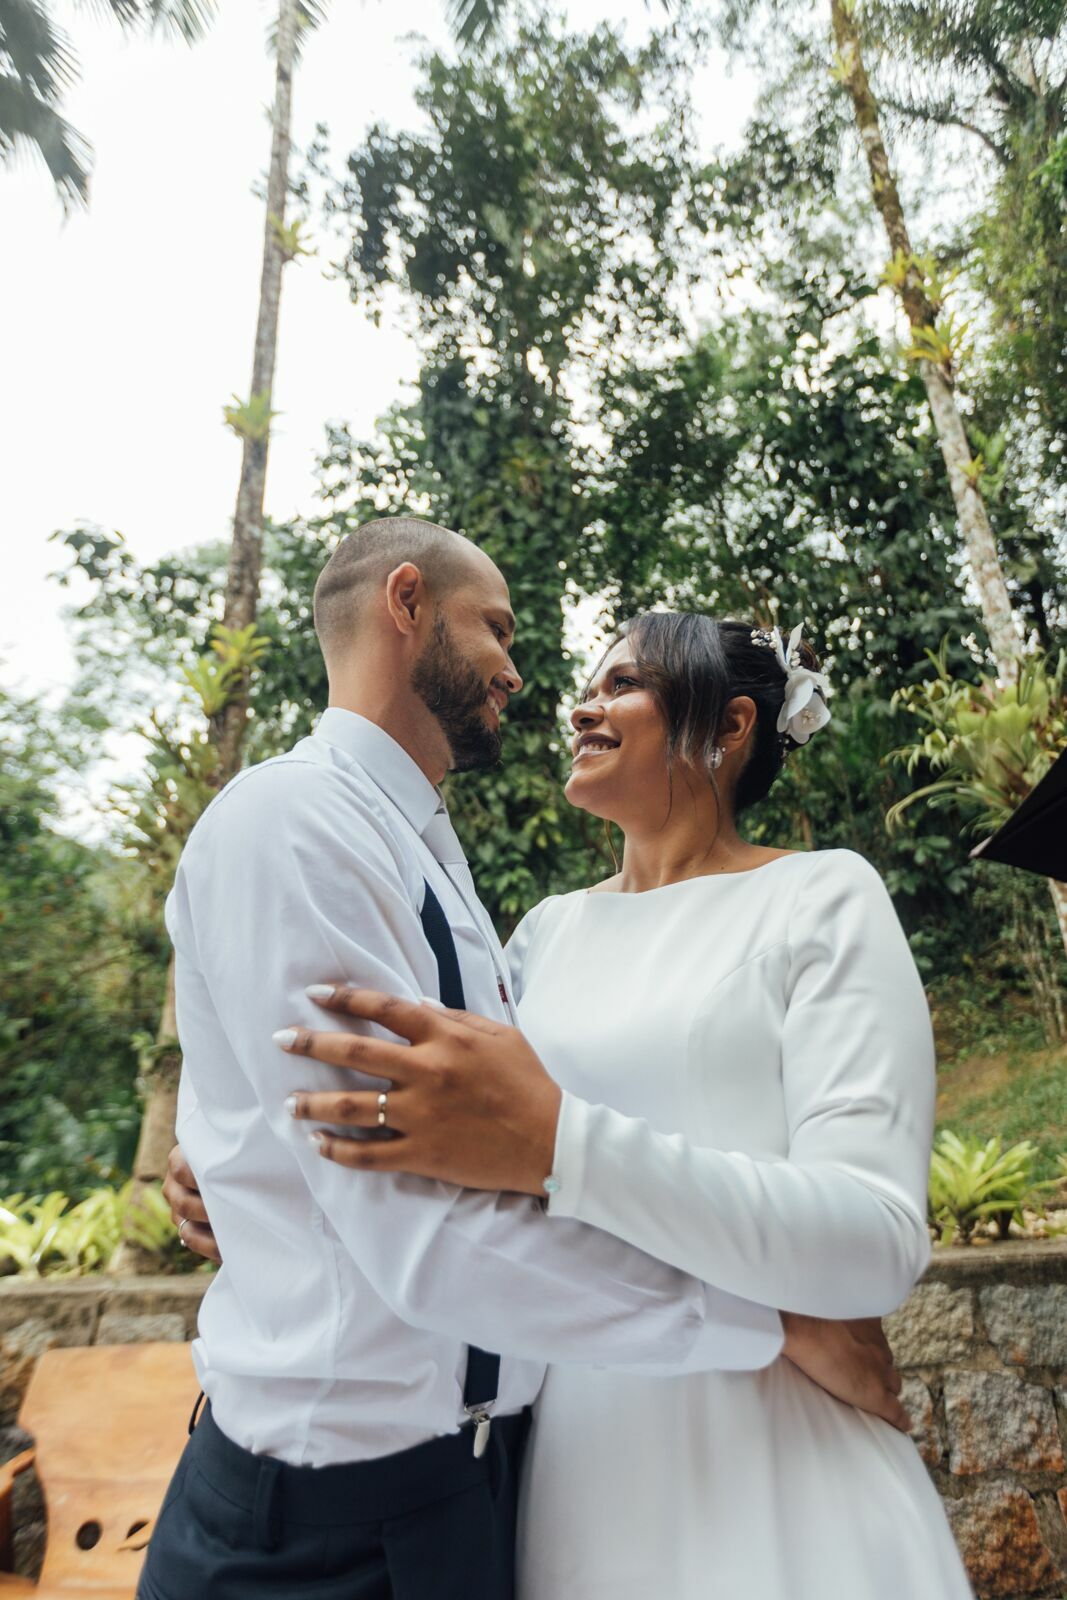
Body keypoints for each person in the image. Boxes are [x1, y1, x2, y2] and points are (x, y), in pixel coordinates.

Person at [144, 520, 906, 1600]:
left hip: (501, 1482)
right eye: (497, 628)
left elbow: (469, 1138)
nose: (536, 680)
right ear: (406, 604)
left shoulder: (439, 863)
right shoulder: (307, 826)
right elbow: (423, 1221)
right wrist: (775, 1319)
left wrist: (242, 1155)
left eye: (622, 682)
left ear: (731, 727)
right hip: (341, 1509)